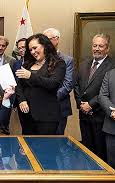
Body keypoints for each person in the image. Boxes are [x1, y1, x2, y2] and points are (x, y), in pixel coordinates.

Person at [15, 33, 66, 135]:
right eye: (30, 50)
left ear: (45, 46)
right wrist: (21, 100)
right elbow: (19, 85)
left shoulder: (58, 63)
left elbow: (53, 83)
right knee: (27, 147)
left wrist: (31, 76)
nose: (33, 52)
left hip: (47, 116)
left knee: (45, 148)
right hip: (27, 115)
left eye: (35, 48)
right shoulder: (27, 64)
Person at [74, 33, 114, 161]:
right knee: (86, 150)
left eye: (100, 46)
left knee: (100, 152)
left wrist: (91, 105)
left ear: (107, 48)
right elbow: (76, 86)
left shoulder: (112, 66)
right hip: (84, 115)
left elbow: (106, 91)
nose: (96, 49)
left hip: (100, 116)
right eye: (94, 45)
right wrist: (80, 104)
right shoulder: (84, 64)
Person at [43, 28, 74, 135]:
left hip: (59, 107)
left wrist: (50, 98)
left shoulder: (67, 60)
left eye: (46, 39)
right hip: (40, 108)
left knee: (57, 140)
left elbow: (68, 84)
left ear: (56, 39)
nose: (43, 43)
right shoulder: (39, 59)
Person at [99, 68, 115, 168]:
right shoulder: (110, 74)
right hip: (112, 128)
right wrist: (112, 111)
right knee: (112, 165)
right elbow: (102, 96)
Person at [12, 38, 28, 134]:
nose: (21, 50)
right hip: (20, 101)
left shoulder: (37, 62)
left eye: (23, 47)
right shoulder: (17, 63)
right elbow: (15, 82)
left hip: (34, 103)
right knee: (25, 129)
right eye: (19, 48)